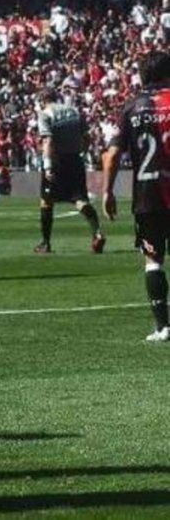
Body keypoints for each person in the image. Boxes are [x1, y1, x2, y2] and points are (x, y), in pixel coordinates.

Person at [102, 51, 170, 341]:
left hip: (147, 197)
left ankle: (163, 327)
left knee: (153, 259)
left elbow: (114, 153)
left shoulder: (131, 107)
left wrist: (107, 190)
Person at [35, 88, 105, 254]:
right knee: (79, 199)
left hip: (57, 160)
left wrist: (47, 165)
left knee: (47, 201)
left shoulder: (45, 114)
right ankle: (97, 232)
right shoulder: (74, 111)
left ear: (43, 100)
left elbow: (48, 140)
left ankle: (46, 243)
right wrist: (82, 153)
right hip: (75, 160)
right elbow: (87, 137)